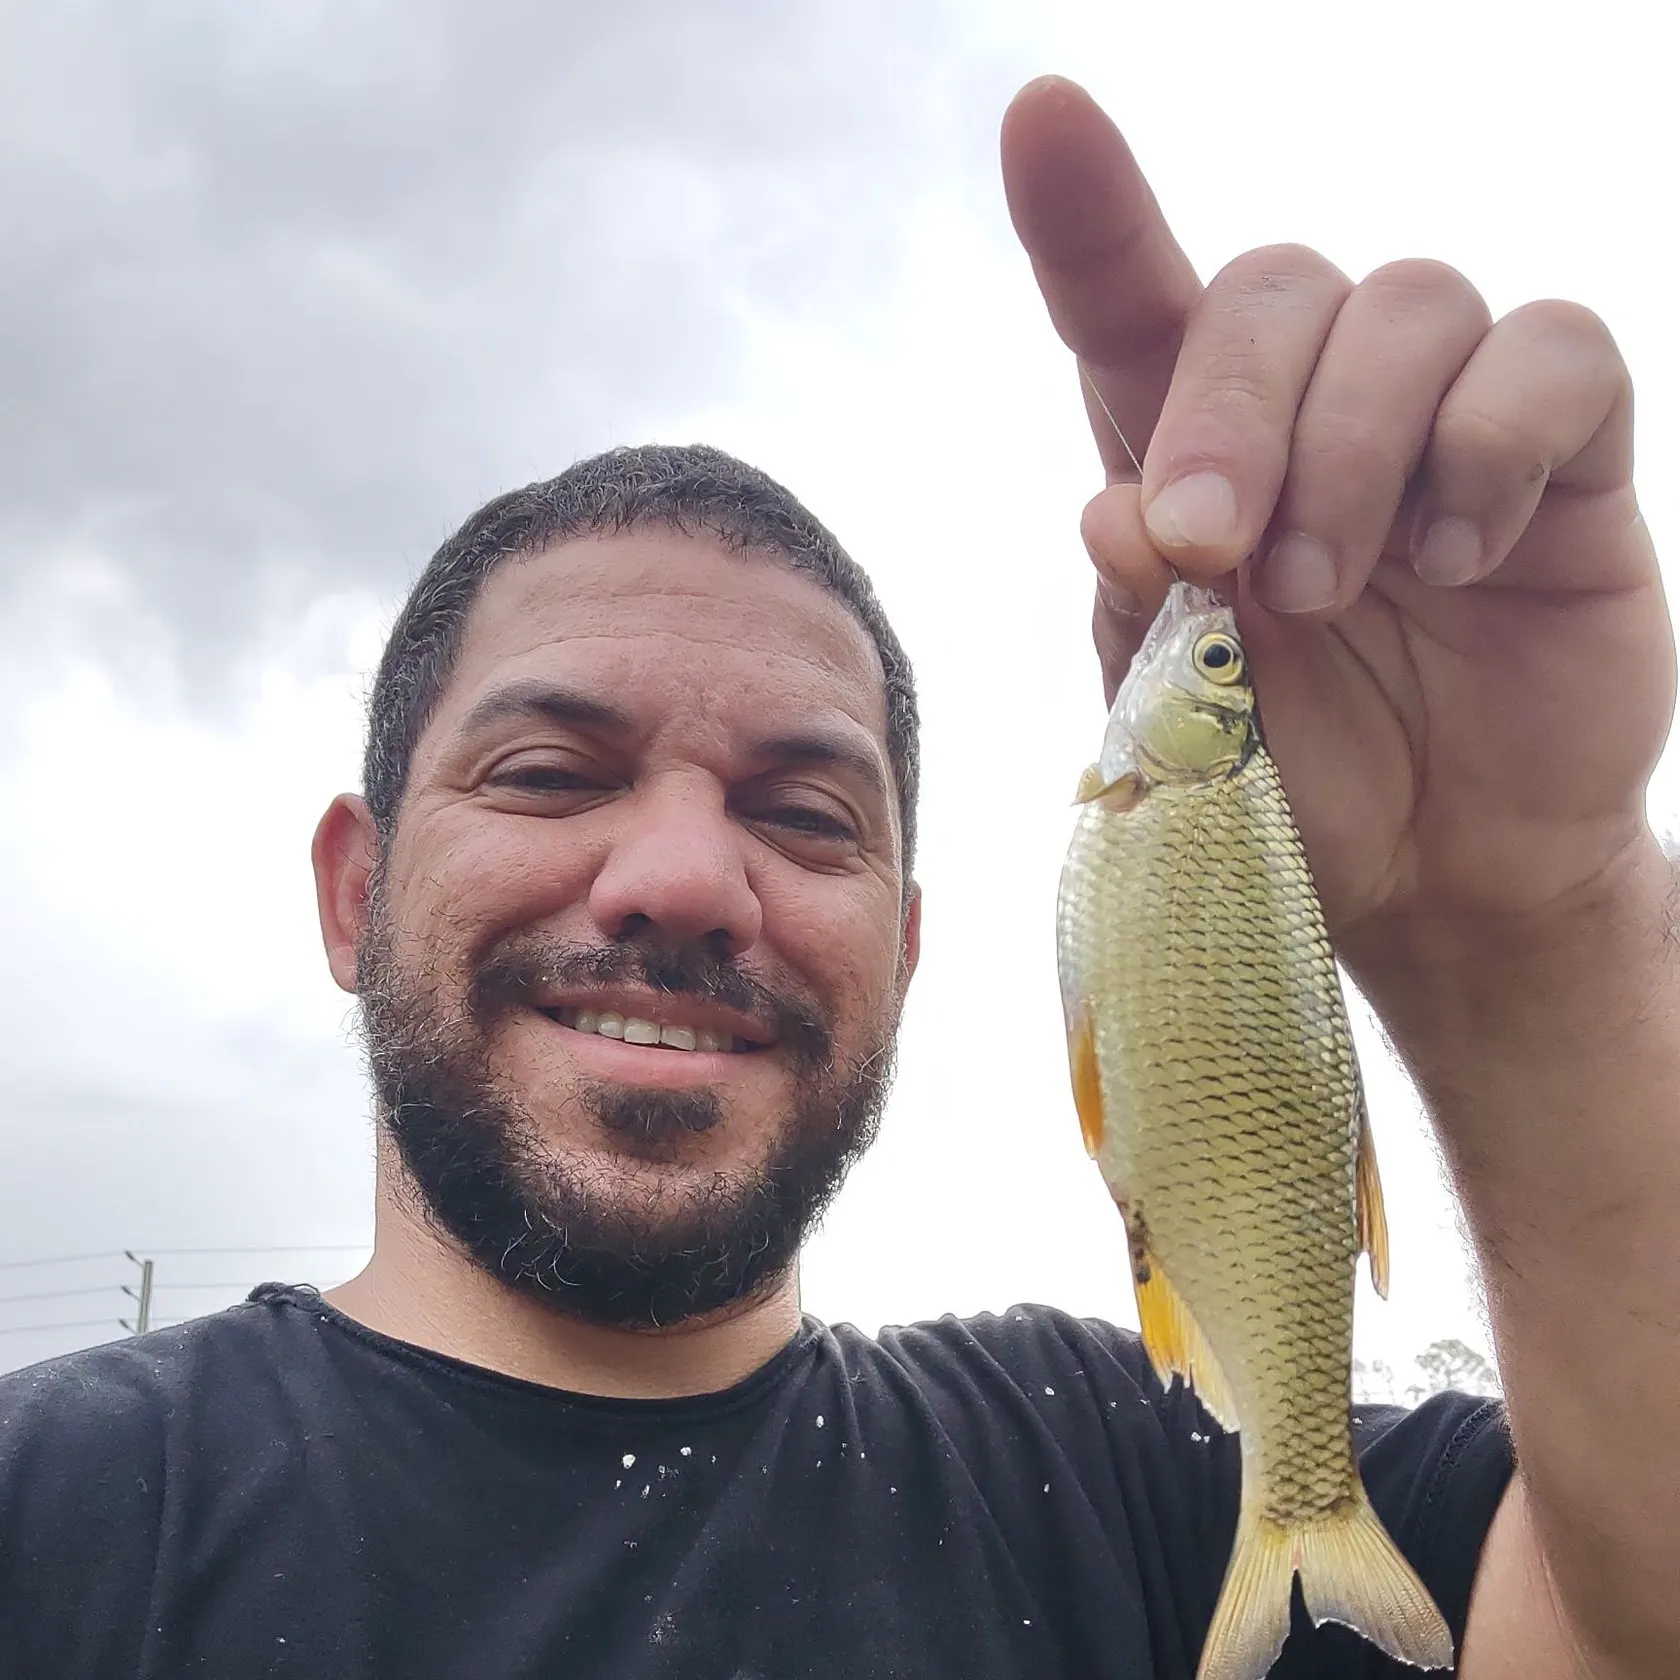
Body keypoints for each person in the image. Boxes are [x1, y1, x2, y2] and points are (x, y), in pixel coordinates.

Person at [0, 74, 1673, 1679]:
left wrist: (1542, 935)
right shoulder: (48, 1516)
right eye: (551, 773)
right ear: (354, 892)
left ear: (907, 947)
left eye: (806, 815)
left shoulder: (1129, 1479)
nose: (680, 879)